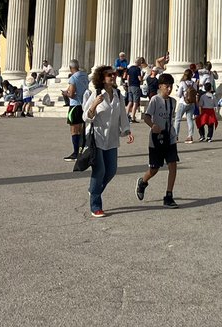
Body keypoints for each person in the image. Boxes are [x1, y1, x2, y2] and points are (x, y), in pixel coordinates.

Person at [83, 65, 134, 218]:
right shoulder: (96, 94)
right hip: (97, 138)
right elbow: (85, 117)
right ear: (102, 78)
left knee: (111, 171)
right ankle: (96, 205)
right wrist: (94, 104)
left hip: (112, 138)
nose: (112, 77)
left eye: (113, 74)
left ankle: (94, 189)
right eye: (108, 75)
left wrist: (127, 130)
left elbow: (122, 116)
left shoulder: (118, 94)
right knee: (100, 171)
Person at [137, 73, 180, 208]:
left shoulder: (173, 102)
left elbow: (170, 118)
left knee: (173, 165)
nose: (169, 89)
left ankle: (168, 195)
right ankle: (143, 182)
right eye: (166, 86)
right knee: (154, 169)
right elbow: (147, 117)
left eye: (171, 86)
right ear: (160, 86)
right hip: (156, 138)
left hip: (170, 137)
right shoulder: (155, 100)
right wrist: (153, 126)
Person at [63, 60, 89, 162]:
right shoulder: (84, 76)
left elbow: (72, 94)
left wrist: (66, 93)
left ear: (70, 68)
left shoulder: (73, 78)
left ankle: (75, 153)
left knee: (74, 130)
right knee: (81, 129)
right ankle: (81, 151)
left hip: (74, 106)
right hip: (83, 105)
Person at [174, 69, 200, 144]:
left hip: (183, 102)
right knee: (190, 120)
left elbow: (179, 95)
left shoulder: (182, 83)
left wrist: (177, 91)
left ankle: (176, 136)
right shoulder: (194, 83)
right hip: (191, 103)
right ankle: (190, 136)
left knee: (178, 119)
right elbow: (195, 92)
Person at [125, 57, 144, 122]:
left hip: (130, 86)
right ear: (138, 62)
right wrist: (142, 77)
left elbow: (127, 77)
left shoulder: (130, 68)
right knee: (135, 102)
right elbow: (139, 79)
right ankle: (133, 117)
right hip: (135, 86)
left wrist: (128, 85)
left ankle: (126, 115)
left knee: (130, 101)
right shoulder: (137, 69)